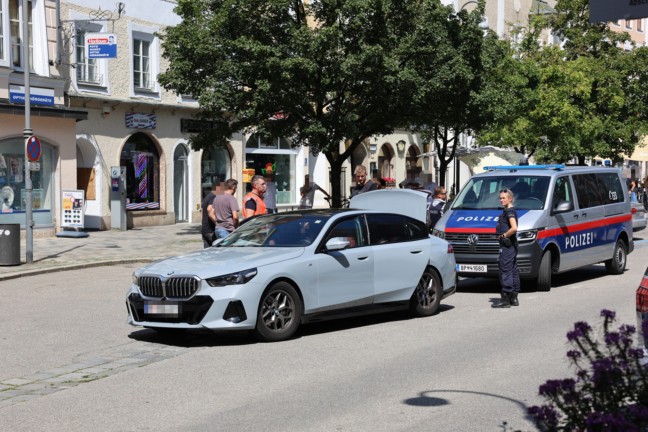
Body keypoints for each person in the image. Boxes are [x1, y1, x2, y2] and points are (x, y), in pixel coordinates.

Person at [493, 188, 520, 308]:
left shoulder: (509, 212)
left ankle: (506, 298)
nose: (501, 200)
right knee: (513, 269)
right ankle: (514, 298)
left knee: (506, 270)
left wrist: (504, 235)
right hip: (511, 245)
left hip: (507, 245)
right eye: (500, 198)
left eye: (504, 198)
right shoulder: (508, 211)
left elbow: (514, 228)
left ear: (510, 198)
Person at [201, 183, 218, 248]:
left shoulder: (207, 197)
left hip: (205, 228)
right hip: (210, 229)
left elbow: (202, 213)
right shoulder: (213, 197)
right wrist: (218, 223)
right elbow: (209, 210)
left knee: (207, 251)